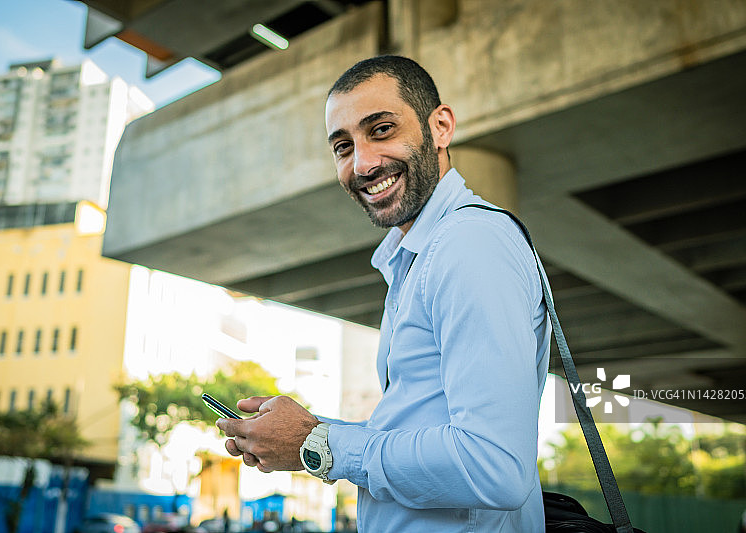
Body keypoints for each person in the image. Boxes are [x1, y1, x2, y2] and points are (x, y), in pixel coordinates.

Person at [217, 55, 552, 532]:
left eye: (381, 130)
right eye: (342, 146)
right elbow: (421, 436)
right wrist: (302, 437)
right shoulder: (418, 256)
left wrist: (320, 445)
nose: (363, 163)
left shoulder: (467, 243)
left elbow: (494, 466)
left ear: (440, 127)